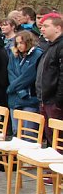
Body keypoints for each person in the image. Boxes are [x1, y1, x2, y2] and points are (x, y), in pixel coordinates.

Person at [7, 31, 42, 135]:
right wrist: (19, 91)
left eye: (21, 43)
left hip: (30, 98)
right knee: (16, 131)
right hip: (15, 98)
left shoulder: (38, 55)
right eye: (17, 43)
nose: (19, 46)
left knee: (28, 133)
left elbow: (28, 76)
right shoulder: (14, 55)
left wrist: (12, 88)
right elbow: (11, 72)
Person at [37, 15, 63, 145]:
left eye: (46, 26)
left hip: (54, 102)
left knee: (58, 139)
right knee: (50, 137)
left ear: (58, 28)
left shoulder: (61, 46)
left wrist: (58, 101)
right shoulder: (50, 46)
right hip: (45, 99)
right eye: (41, 26)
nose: (42, 29)